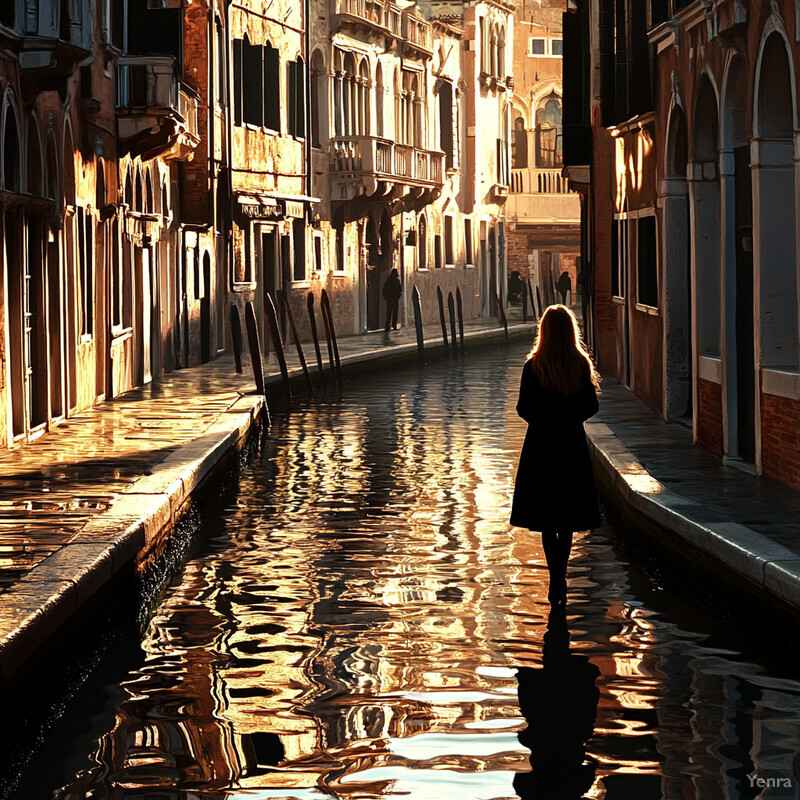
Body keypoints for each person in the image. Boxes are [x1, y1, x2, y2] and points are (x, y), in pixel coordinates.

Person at [509, 304, 601, 605]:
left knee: (548, 518)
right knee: (568, 517)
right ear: (571, 330)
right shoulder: (580, 363)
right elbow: (592, 407)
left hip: (541, 447)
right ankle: (561, 574)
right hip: (571, 445)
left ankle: (555, 578)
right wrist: (570, 420)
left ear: (544, 331)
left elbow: (523, 407)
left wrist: (542, 422)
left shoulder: (533, 365)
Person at [514, 608, 599, 799]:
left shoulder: (573, 788)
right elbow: (519, 779)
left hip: (567, 730)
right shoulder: (536, 789)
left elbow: (590, 768)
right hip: (553, 730)